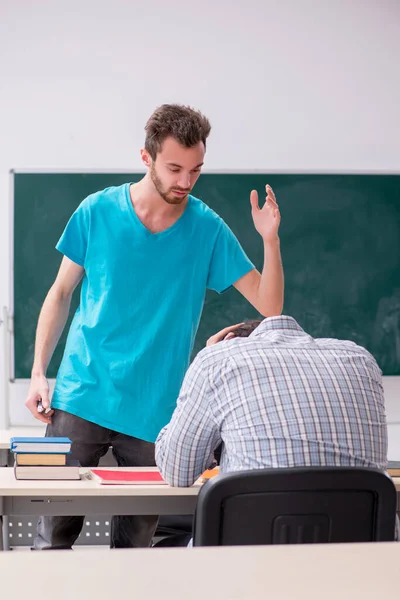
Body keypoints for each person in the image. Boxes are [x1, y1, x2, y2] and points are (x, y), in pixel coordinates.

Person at [25, 104, 284, 549]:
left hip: (155, 413)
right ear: (146, 158)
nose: (186, 181)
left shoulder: (208, 229)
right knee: (53, 541)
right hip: (81, 394)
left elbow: (270, 306)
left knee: (137, 552)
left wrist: (270, 239)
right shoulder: (96, 211)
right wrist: (36, 371)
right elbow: (60, 293)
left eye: (196, 170)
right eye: (175, 168)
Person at [155, 316, 388, 487]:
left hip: (252, 547)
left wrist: (209, 359)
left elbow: (178, 472)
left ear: (230, 340)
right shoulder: (360, 360)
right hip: (364, 549)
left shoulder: (218, 359)